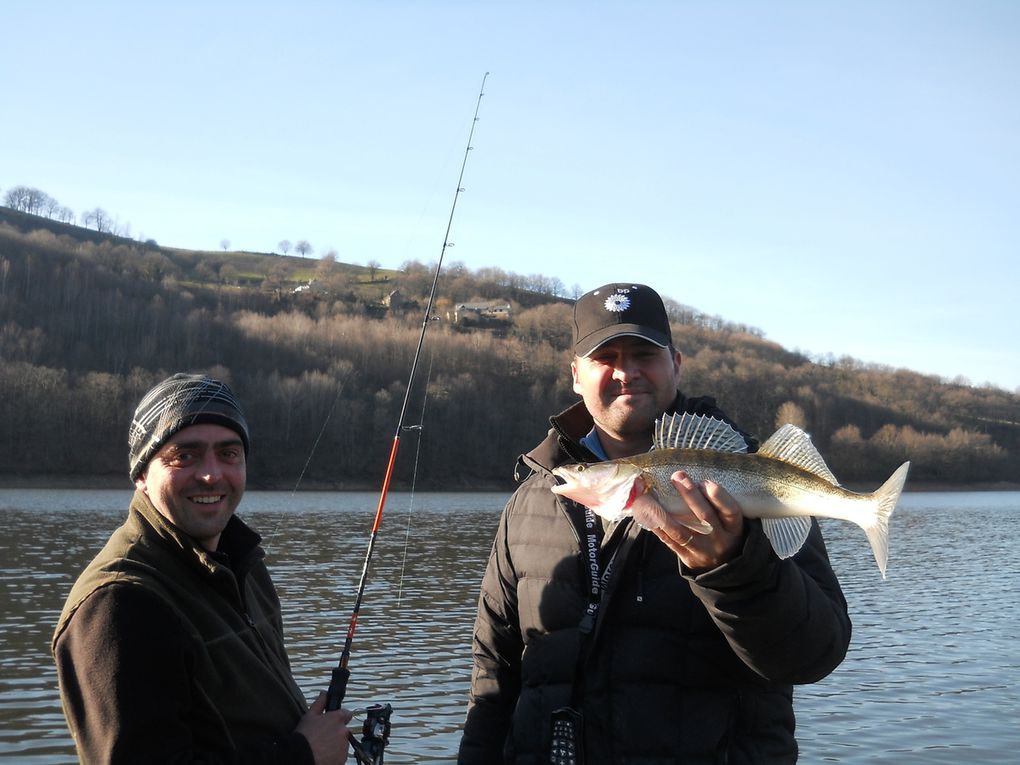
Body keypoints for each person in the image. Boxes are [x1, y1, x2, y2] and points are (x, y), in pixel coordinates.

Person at [458, 283, 852, 764]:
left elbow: (815, 655)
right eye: (606, 357)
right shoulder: (529, 502)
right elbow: (494, 671)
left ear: (676, 364)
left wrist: (733, 570)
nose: (626, 372)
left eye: (644, 353)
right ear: (576, 375)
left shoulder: (750, 479)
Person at [52, 373, 354, 764]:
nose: (211, 474)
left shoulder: (243, 563)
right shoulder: (119, 602)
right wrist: (302, 753)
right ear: (142, 474)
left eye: (228, 453)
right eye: (185, 455)